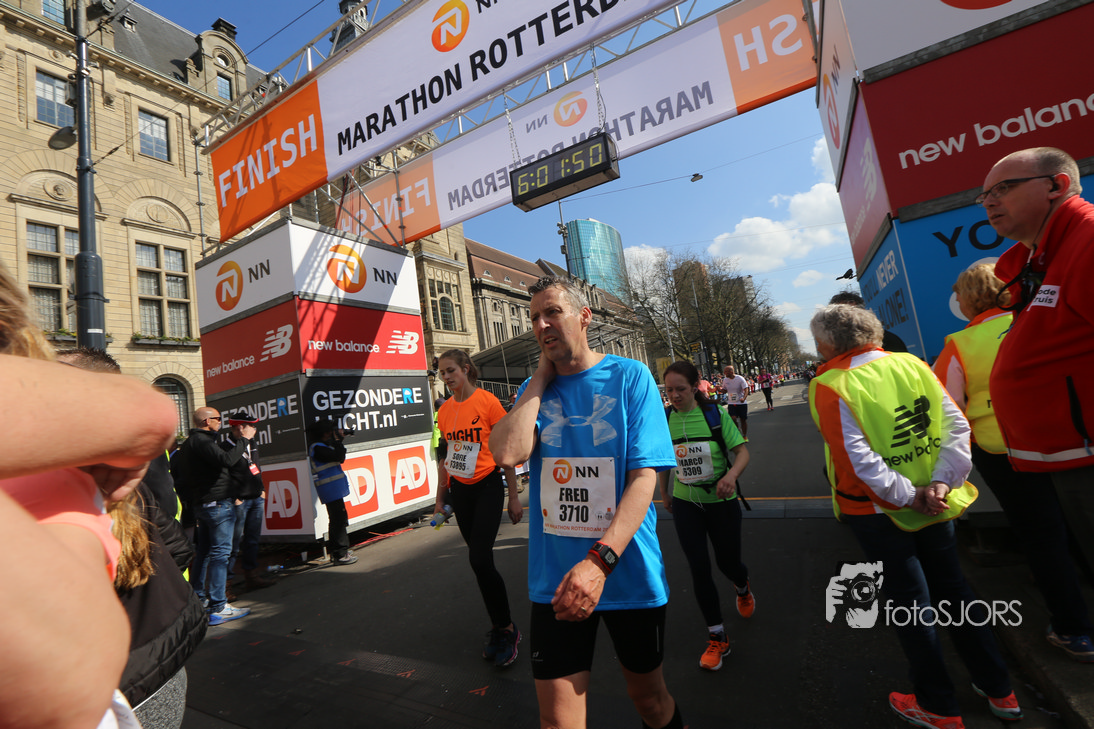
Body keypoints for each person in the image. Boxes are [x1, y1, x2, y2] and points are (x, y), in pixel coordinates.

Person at [809, 304, 1021, 727]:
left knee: (911, 604)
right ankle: (1000, 689)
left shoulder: (831, 384)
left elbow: (858, 461)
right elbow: (956, 426)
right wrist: (941, 483)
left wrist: (909, 497)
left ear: (828, 344)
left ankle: (938, 706)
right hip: (936, 501)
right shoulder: (912, 364)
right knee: (956, 591)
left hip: (878, 510)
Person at [490, 276, 683, 729]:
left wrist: (598, 563)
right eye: (534, 318)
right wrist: (540, 378)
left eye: (552, 312)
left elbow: (644, 479)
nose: (541, 324)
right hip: (556, 581)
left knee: (650, 702)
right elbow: (507, 453)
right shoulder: (534, 391)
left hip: (626, 572)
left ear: (584, 316)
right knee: (558, 722)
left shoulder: (630, 377)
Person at [0, 260, 177, 727]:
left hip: (150, 654)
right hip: (137, 665)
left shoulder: (68, 470)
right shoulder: (70, 468)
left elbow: (151, 418)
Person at [935, 263, 1094, 662]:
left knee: (1041, 536)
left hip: (1002, 450)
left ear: (968, 299)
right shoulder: (1035, 322)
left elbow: (948, 410)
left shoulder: (960, 344)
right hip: (1067, 439)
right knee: (1080, 524)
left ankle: (1074, 630)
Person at [980, 146, 1094, 597]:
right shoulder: (1043, 260)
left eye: (1003, 188)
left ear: (1056, 185)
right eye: (984, 195)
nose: (989, 201)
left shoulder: (1087, 242)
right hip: (1072, 458)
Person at [657, 360, 753, 672]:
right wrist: (664, 492)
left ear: (695, 386)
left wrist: (731, 477)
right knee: (699, 568)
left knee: (728, 563)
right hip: (686, 503)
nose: (675, 395)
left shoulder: (715, 414)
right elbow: (663, 460)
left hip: (721, 501)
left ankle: (742, 585)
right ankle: (717, 636)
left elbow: (742, 453)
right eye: (669, 390)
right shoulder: (666, 418)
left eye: (681, 389)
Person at [434, 349, 523, 667]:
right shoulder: (445, 411)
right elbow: (446, 459)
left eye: (451, 370)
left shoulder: (488, 402)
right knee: (480, 563)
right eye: (442, 373)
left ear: (466, 369)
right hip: (460, 491)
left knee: (479, 558)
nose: (446, 377)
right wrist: (440, 500)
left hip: (487, 486)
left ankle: (507, 629)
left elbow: (505, 451)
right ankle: (499, 626)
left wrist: (513, 495)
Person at [172, 406, 255, 624]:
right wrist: (244, 439)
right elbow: (227, 460)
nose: (221, 422)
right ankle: (218, 605)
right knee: (220, 553)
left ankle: (200, 600)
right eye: (218, 419)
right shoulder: (202, 441)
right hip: (217, 505)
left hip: (204, 505)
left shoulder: (189, 445)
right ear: (206, 422)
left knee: (205, 553)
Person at [223, 414, 275, 592]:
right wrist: (235, 497)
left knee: (252, 540)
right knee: (233, 543)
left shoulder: (252, 443)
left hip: (256, 498)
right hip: (239, 502)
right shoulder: (225, 447)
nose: (255, 429)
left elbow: (256, 466)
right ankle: (227, 585)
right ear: (240, 427)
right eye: (251, 426)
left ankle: (251, 576)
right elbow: (225, 475)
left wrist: (261, 490)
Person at [307, 420, 358, 566]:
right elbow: (339, 457)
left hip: (332, 489)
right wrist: (338, 441)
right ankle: (340, 554)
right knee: (338, 520)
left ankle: (339, 552)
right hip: (330, 489)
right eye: (330, 431)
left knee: (339, 519)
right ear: (325, 433)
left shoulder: (321, 446)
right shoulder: (318, 448)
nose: (332, 433)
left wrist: (337, 440)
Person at [828, 291, 909, 353]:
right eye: (842, 314)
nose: (848, 319)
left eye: (853, 312)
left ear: (864, 312)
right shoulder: (830, 349)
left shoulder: (888, 341)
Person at [720, 365, 750, 439]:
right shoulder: (725, 380)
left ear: (731, 372)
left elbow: (746, 389)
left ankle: (744, 435)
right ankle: (737, 429)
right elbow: (724, 390)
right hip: (731, 403)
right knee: (733, 418)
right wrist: (719, 390)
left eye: (726, 372)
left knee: (743, 420)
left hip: (741, 402)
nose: (724, 373)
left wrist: (744, 398)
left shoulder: (740, 378)